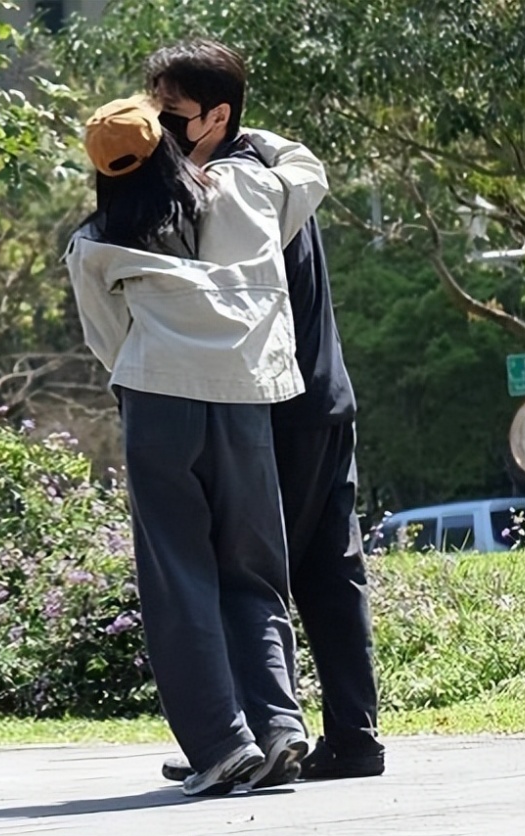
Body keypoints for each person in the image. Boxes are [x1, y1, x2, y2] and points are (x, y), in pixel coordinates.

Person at [65, 95, 329, 794]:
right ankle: (279, 724)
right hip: (245, 396)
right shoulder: (242, 190)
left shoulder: (95, 240)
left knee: (180, 579)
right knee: (254, 569)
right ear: (165, 145)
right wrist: (232, 127)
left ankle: (219, 743)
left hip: (159, 399)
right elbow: (306, 170)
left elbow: (106, 341)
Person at [147, 40, 385, 781]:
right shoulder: (276, 172)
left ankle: (258, 739)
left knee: (246, 572)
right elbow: (304, 162)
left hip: (269, 404)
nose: (158, 130)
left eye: (172, 116)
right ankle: (352, 735)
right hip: (326, 395)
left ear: (216, 116)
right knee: (327, 569)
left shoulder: (229, 190)